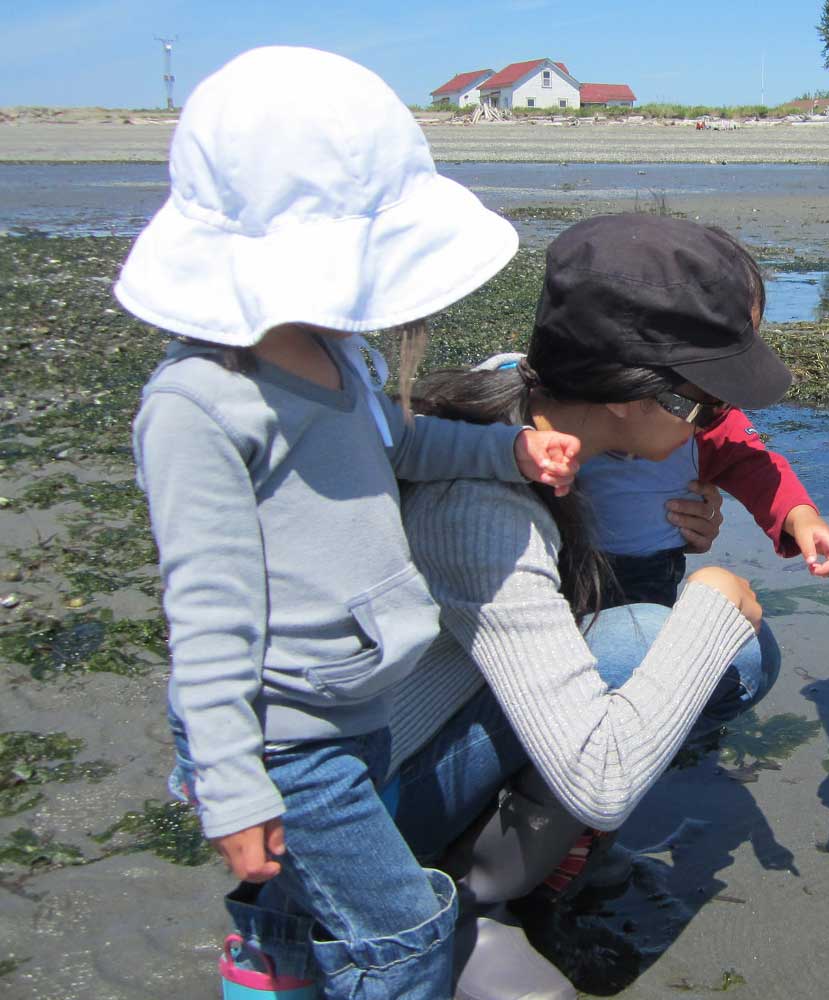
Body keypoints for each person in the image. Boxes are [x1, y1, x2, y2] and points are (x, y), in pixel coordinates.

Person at [123, 47, 581, 1000]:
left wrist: (508, 454)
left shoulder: (340, 354)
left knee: (306, 907)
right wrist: (231, 781)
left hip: (362, 700)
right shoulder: (203, 404)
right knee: (407, 928)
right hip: (287, 734)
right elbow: (204, 615)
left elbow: (401, 449)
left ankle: (268, 975)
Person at [381, 215, 788, 1000]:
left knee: (702, 650)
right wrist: (707, 599)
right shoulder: (482, 507)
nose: (716, 424)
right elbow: (600, 778)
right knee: (722, 647)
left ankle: (510, 862)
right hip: (375, 795)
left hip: (448, 720)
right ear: (643, 396)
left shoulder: (534, 422)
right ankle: (461, 884)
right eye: (708, 405)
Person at [575, 227, 829, 607]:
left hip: (648, 582)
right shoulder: (548, 428)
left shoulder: (703, 416)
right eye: (710, 378)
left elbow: (752, 465)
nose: (721, 395)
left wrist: (801, 518)